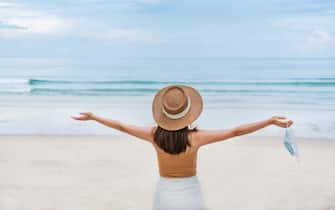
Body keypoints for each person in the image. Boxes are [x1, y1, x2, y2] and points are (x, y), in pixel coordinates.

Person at [72, 84, 293, 210]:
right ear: (188, 113)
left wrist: (93, 117)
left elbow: (121, 126)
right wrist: (269, 121)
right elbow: (235, 131)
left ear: (163, 114)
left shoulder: (153, 135)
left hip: (165, 191)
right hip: (190, 192)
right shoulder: (196, 138)